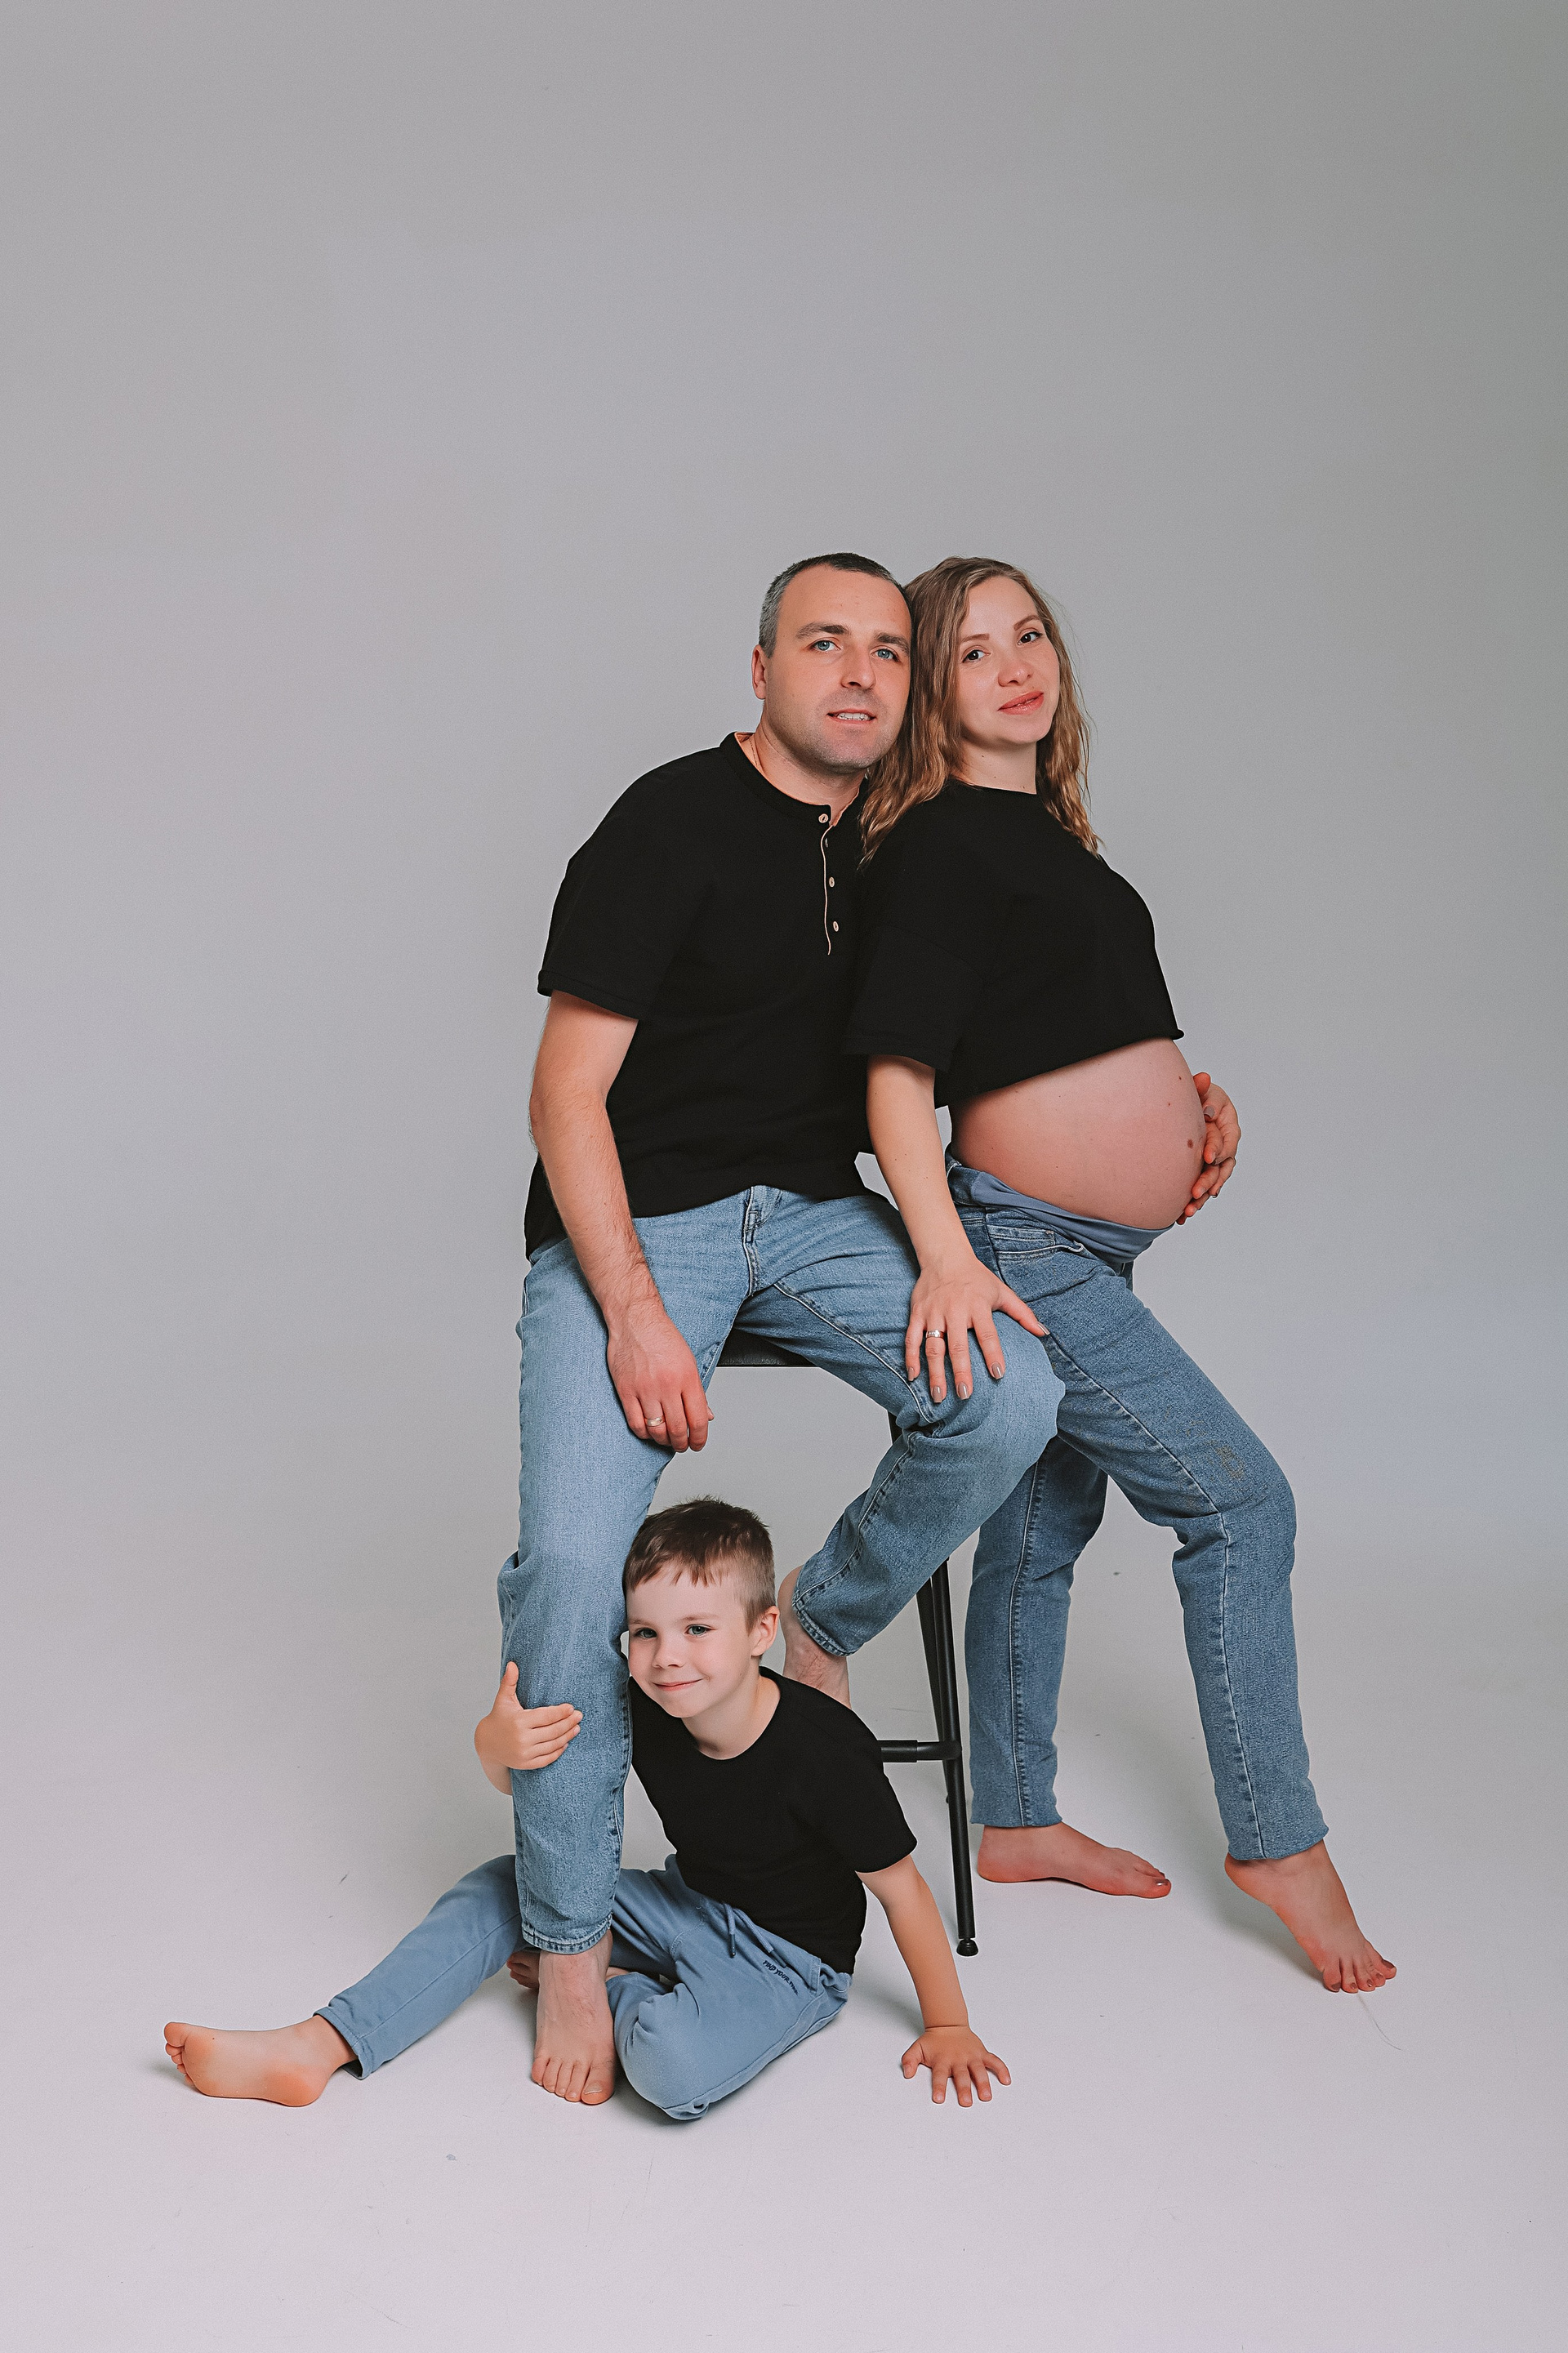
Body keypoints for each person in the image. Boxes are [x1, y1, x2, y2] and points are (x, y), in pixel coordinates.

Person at [501, 552, 1081, 2106]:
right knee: (574, 1569)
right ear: (761, 669)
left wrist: (1177, 1112)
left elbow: (1021, 1029)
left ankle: (811, 1630)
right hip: (647, 1218)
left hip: (819, 1212)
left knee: (1013, 1397)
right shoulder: (665, 821)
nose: (861, 674)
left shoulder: (906, 841)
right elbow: (565, 1096)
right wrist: (633, 1308)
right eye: (825, 643)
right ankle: (570, 1939)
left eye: (889, 649)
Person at [843, 555, 1393, 1994]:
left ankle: (1016, 1817)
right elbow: (897, 1074)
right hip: (1020, 1244)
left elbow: (1078, 1039)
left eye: (1031, 634)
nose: (1016, 664)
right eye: (975, 650)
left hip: (1091, 1244)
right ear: (930, 691)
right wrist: (947, 1258)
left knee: (1043, 1522)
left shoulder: (1058, 847)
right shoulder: (940, 843)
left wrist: (1191, 1117)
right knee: (1240, 1501)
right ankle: (1278, 1839)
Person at [164, 1501, 1009, 2117]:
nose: (667, 1657)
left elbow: (902, 1891)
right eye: (645, 1632)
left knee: (671, 2070)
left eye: (697, 1630)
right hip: (685, 1900)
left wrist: (949, 2023)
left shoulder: (825, 1750)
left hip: (785, 1960)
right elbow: (524, 1787)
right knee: (505, 1884)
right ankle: (316, 2045)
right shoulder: (645, 1702)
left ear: (761, 1632)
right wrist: (494, 1742)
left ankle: (619, 1986)